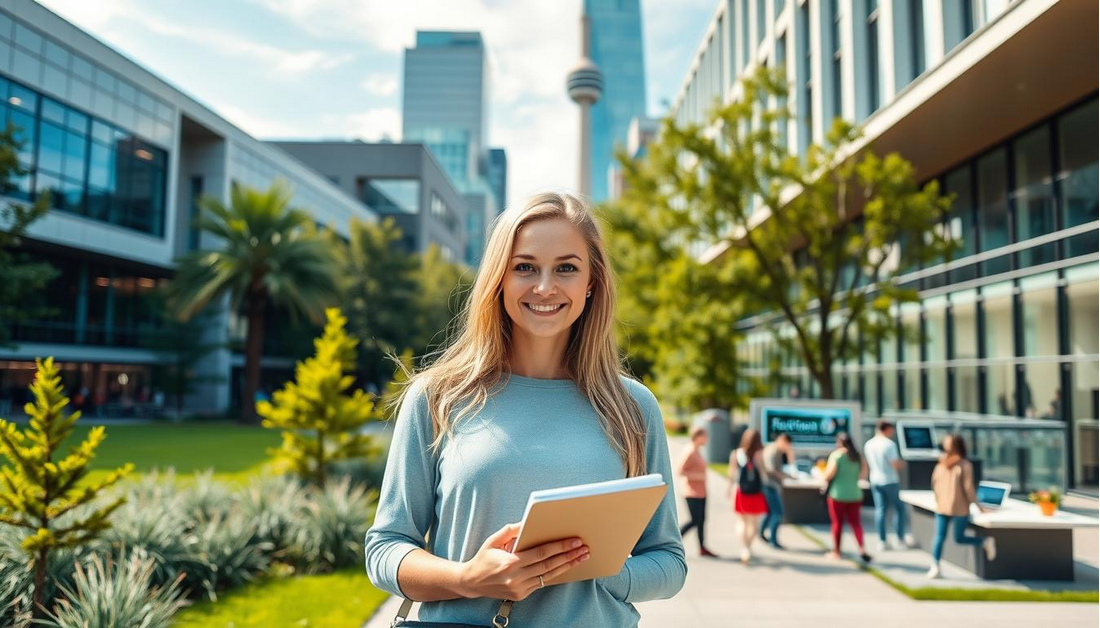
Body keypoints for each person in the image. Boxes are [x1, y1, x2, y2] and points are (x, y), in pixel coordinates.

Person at [363, 193, 686, 627]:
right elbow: (385, 550)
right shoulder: (437, 397)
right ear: (499, 278)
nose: (545, 287)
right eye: (525, 267)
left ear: (592, 282)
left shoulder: (632, 407)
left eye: (567, 268)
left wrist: (597, 572)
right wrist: (468, 578)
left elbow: (668, 561)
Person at [927, 433, 997, 579]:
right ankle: (984, 541)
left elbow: (934, 483)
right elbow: (968, 488)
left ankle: (935, 566)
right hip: (959, 507)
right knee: (958, 538)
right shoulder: (964, 465)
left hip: (942, 506)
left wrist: (938, 498)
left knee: (940, 537)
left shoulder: (942, 463)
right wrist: (979, 507)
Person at [864, 420, 915, 551]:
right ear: (886, 429)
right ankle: (899, 539)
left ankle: (882, 541)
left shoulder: (868, 444)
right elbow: (893, 464)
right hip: (890, 480)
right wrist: (902, 464)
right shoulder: (889, 445)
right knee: (899, 508)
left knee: (880, 510)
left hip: (875, 479)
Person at [822, 433, 871, 562]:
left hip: (837, 495)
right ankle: (862, 549)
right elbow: (863, 474)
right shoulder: (858, 456)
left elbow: (828, 475)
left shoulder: (837, 455)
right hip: (855, 494)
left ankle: (836, 551)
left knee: (837, 523)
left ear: (839, 443)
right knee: (856, 523)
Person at [729, 428, 768, 564]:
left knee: (742, 522)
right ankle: (748, 547)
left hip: (741, 492)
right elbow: (763, 474)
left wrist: (729, 490)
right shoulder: (759, 455)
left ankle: (744, 548)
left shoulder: (736, 454)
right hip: (756, 493)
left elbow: (732, 474)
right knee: (755, 525)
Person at [676, 425, 716, 557]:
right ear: (697, 437)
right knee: (694, 520)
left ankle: (702, 547)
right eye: (704, 436)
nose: (707, 439)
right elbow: (680, 471)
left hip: (701, 492)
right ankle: (674, 540)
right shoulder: (690, 451)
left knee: (702, 520)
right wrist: (699, 477)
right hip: (692, 492)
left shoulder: (698, 450)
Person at [760, 432, 794, 549]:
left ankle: (760, 533)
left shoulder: (779, 451)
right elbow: (771, 469)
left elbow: (789, 464)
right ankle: (773, 540)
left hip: (772, 485)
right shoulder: (773, 450)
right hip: (770, 485)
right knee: (778, 513)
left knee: (770, 512)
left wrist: (789, 452)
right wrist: (783, 477)